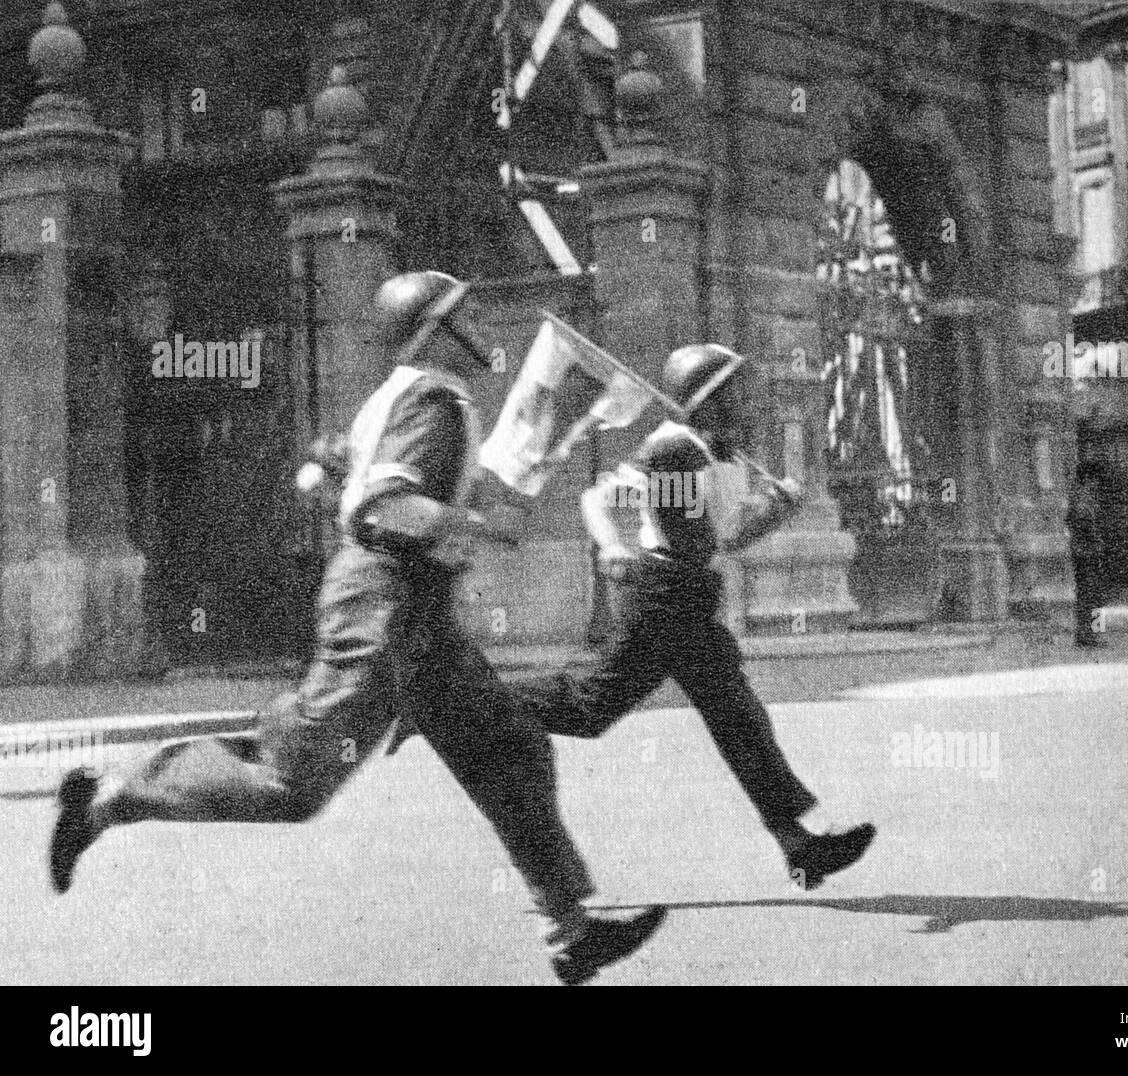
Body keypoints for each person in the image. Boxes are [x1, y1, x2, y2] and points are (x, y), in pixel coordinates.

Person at [48, 271, 664, 986]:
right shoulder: (430, 400)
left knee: (508, 747)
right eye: (465, 317)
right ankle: (108, 798)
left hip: (415, 612)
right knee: (290, 779)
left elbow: (363, 483)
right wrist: (464, 523)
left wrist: (501, 490)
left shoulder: (416, 401)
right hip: (383, 605)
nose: (483, 331)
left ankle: (572, 930)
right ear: (435, 330)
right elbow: (382, 505)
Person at [512, 344, 876, 891]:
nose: (749, 406)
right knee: (599, 710)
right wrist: (771, 511)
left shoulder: (709, 452)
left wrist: (771, 511)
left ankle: (801, 845)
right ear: (710, 401)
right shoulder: (676, 454)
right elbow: (702, 538)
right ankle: (457, 700)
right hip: (662, 602)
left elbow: (706, 535)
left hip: (684, 597)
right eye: (737, 395)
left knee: (729, 718)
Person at [1066, 461, 1107, 647]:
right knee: (1093, 595)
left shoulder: (1078, 495)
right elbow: (1085, 522)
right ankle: (1093, 634)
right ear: (1089, 479)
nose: (1097, 484)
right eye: (1095, 480)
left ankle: (1088, 633)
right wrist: (1097, 539)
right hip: (1088, 553)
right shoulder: (1083, 497)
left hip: (1083, 552)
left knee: (1088, 595)